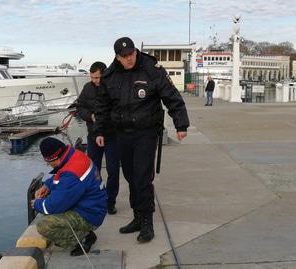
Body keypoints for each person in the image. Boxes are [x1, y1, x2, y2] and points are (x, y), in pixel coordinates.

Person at [94, 37, 190, 243]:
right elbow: (102, 106)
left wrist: (181, 124)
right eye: (124, 56)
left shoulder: (151, 68)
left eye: (131, 54)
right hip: (122, 133)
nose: (129, 59)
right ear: (117, 57)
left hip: (146, 132)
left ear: (136, 52)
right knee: (129, 175)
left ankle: (147, 222)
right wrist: (99, 131)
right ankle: (137, 217)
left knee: (142, 177)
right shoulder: (110, 75)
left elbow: (171, 96)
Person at [32, 137, 107, 256]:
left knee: (44, 225)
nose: (49, 165)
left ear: (54, 159)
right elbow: (62, 175)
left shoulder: (72, 173)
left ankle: (81, 240)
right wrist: (48, 185)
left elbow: (53, 206)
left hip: (90, 214)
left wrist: (36, 204)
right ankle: (84, 233)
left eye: (48, 162)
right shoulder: (74, 155)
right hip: (93, 205)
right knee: (52, 199)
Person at [76, 61, 120, 215]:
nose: (95, 81)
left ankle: (111, 201)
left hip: (112, 135)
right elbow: (80, 107)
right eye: (93, 77)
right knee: (93, 170)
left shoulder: (113, 87)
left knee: (113, 170)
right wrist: (90, 116)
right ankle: (96, 198)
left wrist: (103, 117)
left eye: (98, 77)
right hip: (94, 135)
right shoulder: (88, 88)